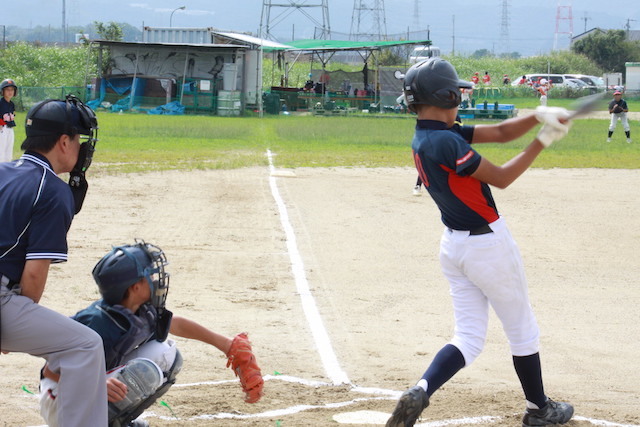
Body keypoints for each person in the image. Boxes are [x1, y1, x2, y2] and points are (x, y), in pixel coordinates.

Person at [387, 57, 574, 427]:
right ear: (447, 94)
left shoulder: (429, 135)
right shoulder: (448, 141)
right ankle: (539, 409)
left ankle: (422, 389)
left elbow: (503, 133)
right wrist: (544, 139)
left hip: (454, 248)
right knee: (522, 330)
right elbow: (502, 177)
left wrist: (540, 115)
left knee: (468, 337)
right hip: (488, 247)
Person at [39, 240, 264, 427]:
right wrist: (96, 383)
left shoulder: (137, 308)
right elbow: (51, 370)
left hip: (87, 385)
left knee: (166, 355)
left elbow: (176, 324)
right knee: (143, 372)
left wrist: (226, 344)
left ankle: (118, 421)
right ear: (134, 288)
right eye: (150, 275)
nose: (157, 279)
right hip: (62, 401)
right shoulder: (98, 325)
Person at [0, 95, 107, 426]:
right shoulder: (52, 189)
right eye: (78, 139)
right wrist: (9, 330)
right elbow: (32, 278)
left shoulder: (3, 171)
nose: (83, 148)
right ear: (63, 142)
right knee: (85, 346)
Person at [0, 79, 18, 162]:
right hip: (2, 128)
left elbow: (12, 115)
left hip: (10, 128)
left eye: (12, 90)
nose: (10, 92)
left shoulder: (12, 104)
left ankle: (7, 169)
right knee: (1, 150)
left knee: (9, 149)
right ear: (2, 91)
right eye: (7, 89)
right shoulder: (0, 102)